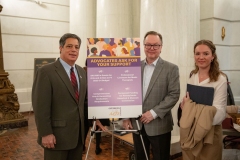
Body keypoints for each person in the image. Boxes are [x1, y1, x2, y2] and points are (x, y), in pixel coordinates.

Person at [123, 31, 180, 160]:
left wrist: (153, 113)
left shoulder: (171, 69)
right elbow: (127, 92)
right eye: (148, 45)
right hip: (137, 123)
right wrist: (126, 117)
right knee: (140, 157)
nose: (151, 48)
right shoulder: (133, 67)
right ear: (143, 46)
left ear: (161, 47)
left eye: (155, 45)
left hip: (159, 124)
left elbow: (174, 94)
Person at [32, 33, 87, 160]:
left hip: (78, 137)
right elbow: (40, 106)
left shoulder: (82, 72)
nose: (74, 50)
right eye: (69, 46)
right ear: (60, 48)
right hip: (56, 138)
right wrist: (45, 133)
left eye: (77, 47)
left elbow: (82, 102)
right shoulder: (46, 72)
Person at [179, 40, 227, 160]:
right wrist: (184, 105)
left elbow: (219, 113)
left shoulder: (220, 79)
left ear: (213, 56)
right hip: (190, 132)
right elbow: (187, 104)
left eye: (206, 54)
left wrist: (191, 110)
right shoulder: (192, 77)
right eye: (197, 53)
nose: (201, 57)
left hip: (210, 133)